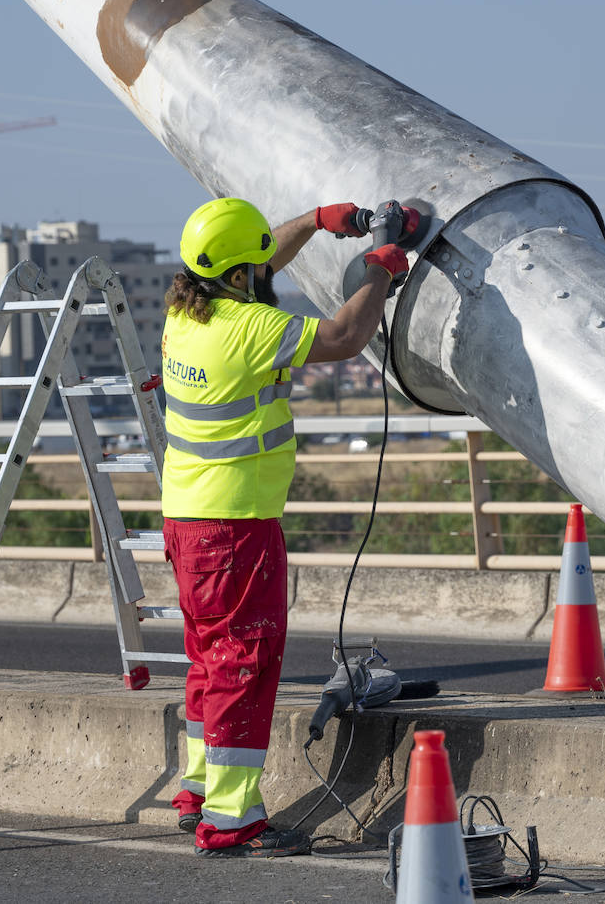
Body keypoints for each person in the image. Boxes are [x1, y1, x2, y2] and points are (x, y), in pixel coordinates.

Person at [161, 197, 408, 857]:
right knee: (246, 661)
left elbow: (258, 258)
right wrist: (380, 265)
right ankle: (232, 817)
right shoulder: (247, 329)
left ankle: (197, 789)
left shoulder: (185, 312)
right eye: (256, 267)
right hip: (234, 528)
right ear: (241, 277)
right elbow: (343, 338)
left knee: (210, 659)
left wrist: (319, 221)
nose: (263, 273)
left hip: (187, 520)